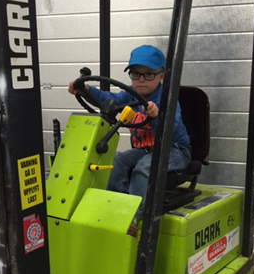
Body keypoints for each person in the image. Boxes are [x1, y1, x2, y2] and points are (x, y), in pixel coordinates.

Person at [68, 45, 191, 234]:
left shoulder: (167, 98)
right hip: (145, 151)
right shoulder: (130, 96)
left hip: (174, 150)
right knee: (114, 161)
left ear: (161, 75)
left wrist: (156, 116)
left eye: (148, 74)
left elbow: (170, 130)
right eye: (135, 74)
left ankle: (133, 216)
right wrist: (85, 89)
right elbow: (107, 99)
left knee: (144, 168)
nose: (141, 79)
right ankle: (116, 206)